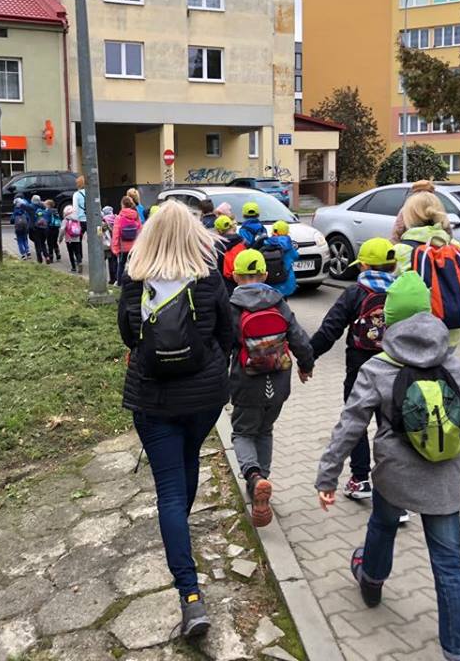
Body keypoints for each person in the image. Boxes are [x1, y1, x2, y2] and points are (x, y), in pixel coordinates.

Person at [315, 271, 460, 661]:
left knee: (383, 524)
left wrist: (327, 476)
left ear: (389, 320)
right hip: (443, 477)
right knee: (449, 563)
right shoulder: (452, 363)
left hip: (394, 475)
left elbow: (350, 426)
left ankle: (371, 578)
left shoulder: (378, 367)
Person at [117, 200, 233, 639]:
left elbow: (127, 335)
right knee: (189, 461)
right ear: (192, 235)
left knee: (169, 489)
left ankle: (190, 595)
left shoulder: (134, 280)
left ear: (149, 235)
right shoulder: (208, 278)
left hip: (153, 400)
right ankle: (178, 535)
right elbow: (228, 334)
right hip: (203, 399)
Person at [228, 248, 314, 527]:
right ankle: (262, 479)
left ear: (235, 276)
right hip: (278, 382)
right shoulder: (279, 303)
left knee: (243, 432)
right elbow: (299, 338)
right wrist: (306, 365)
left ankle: (254, 478)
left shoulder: (232, 306)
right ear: (265, 274)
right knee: (265, 430)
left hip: (246, 383)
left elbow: (222, 345)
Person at [310, 238, 397, 503]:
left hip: (360, 370)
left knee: (355, 424)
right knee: (391, 427)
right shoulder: (402, 292)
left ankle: (360, 479)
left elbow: (330, 330)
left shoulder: (355, 293)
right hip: (395, 370)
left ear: (366, 266)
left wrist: (307, 358)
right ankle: (394, 489)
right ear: (393, 265)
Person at [394, 192, 460, 349]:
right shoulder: (455, 247)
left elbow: (390, 295)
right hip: (450, 334)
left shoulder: (401, 250)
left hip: (412, 336)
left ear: (408, 216)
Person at [259, 220, 299, 298]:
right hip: (285, 279)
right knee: (283, 299)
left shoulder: (267, 242)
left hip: (269, 279)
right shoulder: (288, 245)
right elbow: (295, 256)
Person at [112, 195, 142, 284]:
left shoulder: (119, 217)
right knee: (134, 264)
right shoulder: (136, 216)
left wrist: (115, 248)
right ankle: (135, 282)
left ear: (122, 205)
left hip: (123, 247)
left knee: (121, 264)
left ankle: (120, 283)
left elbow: (116, 234)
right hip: (134, 246)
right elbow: (140, 231)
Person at [214, 215, 245, 296]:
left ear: (218, 230)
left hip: (225, 287)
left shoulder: (217, 246)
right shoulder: (243, 241)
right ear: (232, 226)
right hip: (242, 281)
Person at [59, 204, 84, 273]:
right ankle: (79, 262)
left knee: (71, 253)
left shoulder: (65, 220)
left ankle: (73, 268)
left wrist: (60, 238)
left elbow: (62, 230)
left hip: (69, 239)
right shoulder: (77, 219)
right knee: (77, 252)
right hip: (77, 238)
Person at [30, 194, 51, 264]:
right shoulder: (45, 208)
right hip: (44, 229)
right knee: (43, 243)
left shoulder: (33, 208)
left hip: (36, 229)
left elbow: (32, 219)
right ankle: (47, 256)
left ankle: (39, 260)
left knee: (37, 244)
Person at [101, 205, 118, 284]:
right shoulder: (116, 219)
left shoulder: (103, 221)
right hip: (115, 243)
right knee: (113, 262)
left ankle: (102, 278)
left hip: (106, 244)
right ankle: (114, 278)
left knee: (101, 262)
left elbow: (99, 233)